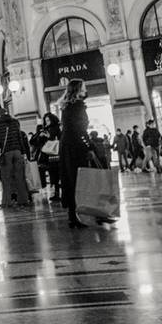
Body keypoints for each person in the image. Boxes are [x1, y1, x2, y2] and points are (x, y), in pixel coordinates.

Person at [59, 79, 94, 228]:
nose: (86, 89)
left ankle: (73, 216)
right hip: (76, 147)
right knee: (79, 180)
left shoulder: (66, 107)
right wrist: (89, 146)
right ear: (78, 89)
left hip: (67, 146)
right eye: (84, 87)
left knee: (71, 180)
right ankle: (80, 215)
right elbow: (80, 129)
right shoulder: (77, 106)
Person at [0, 105, 31, 209]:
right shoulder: (15, 122)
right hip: (17, 152)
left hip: (6, 153)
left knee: (6, 179)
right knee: (20, 178)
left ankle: (7, 202)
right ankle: (23, 200)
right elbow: (19, 137)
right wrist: (22, 152)